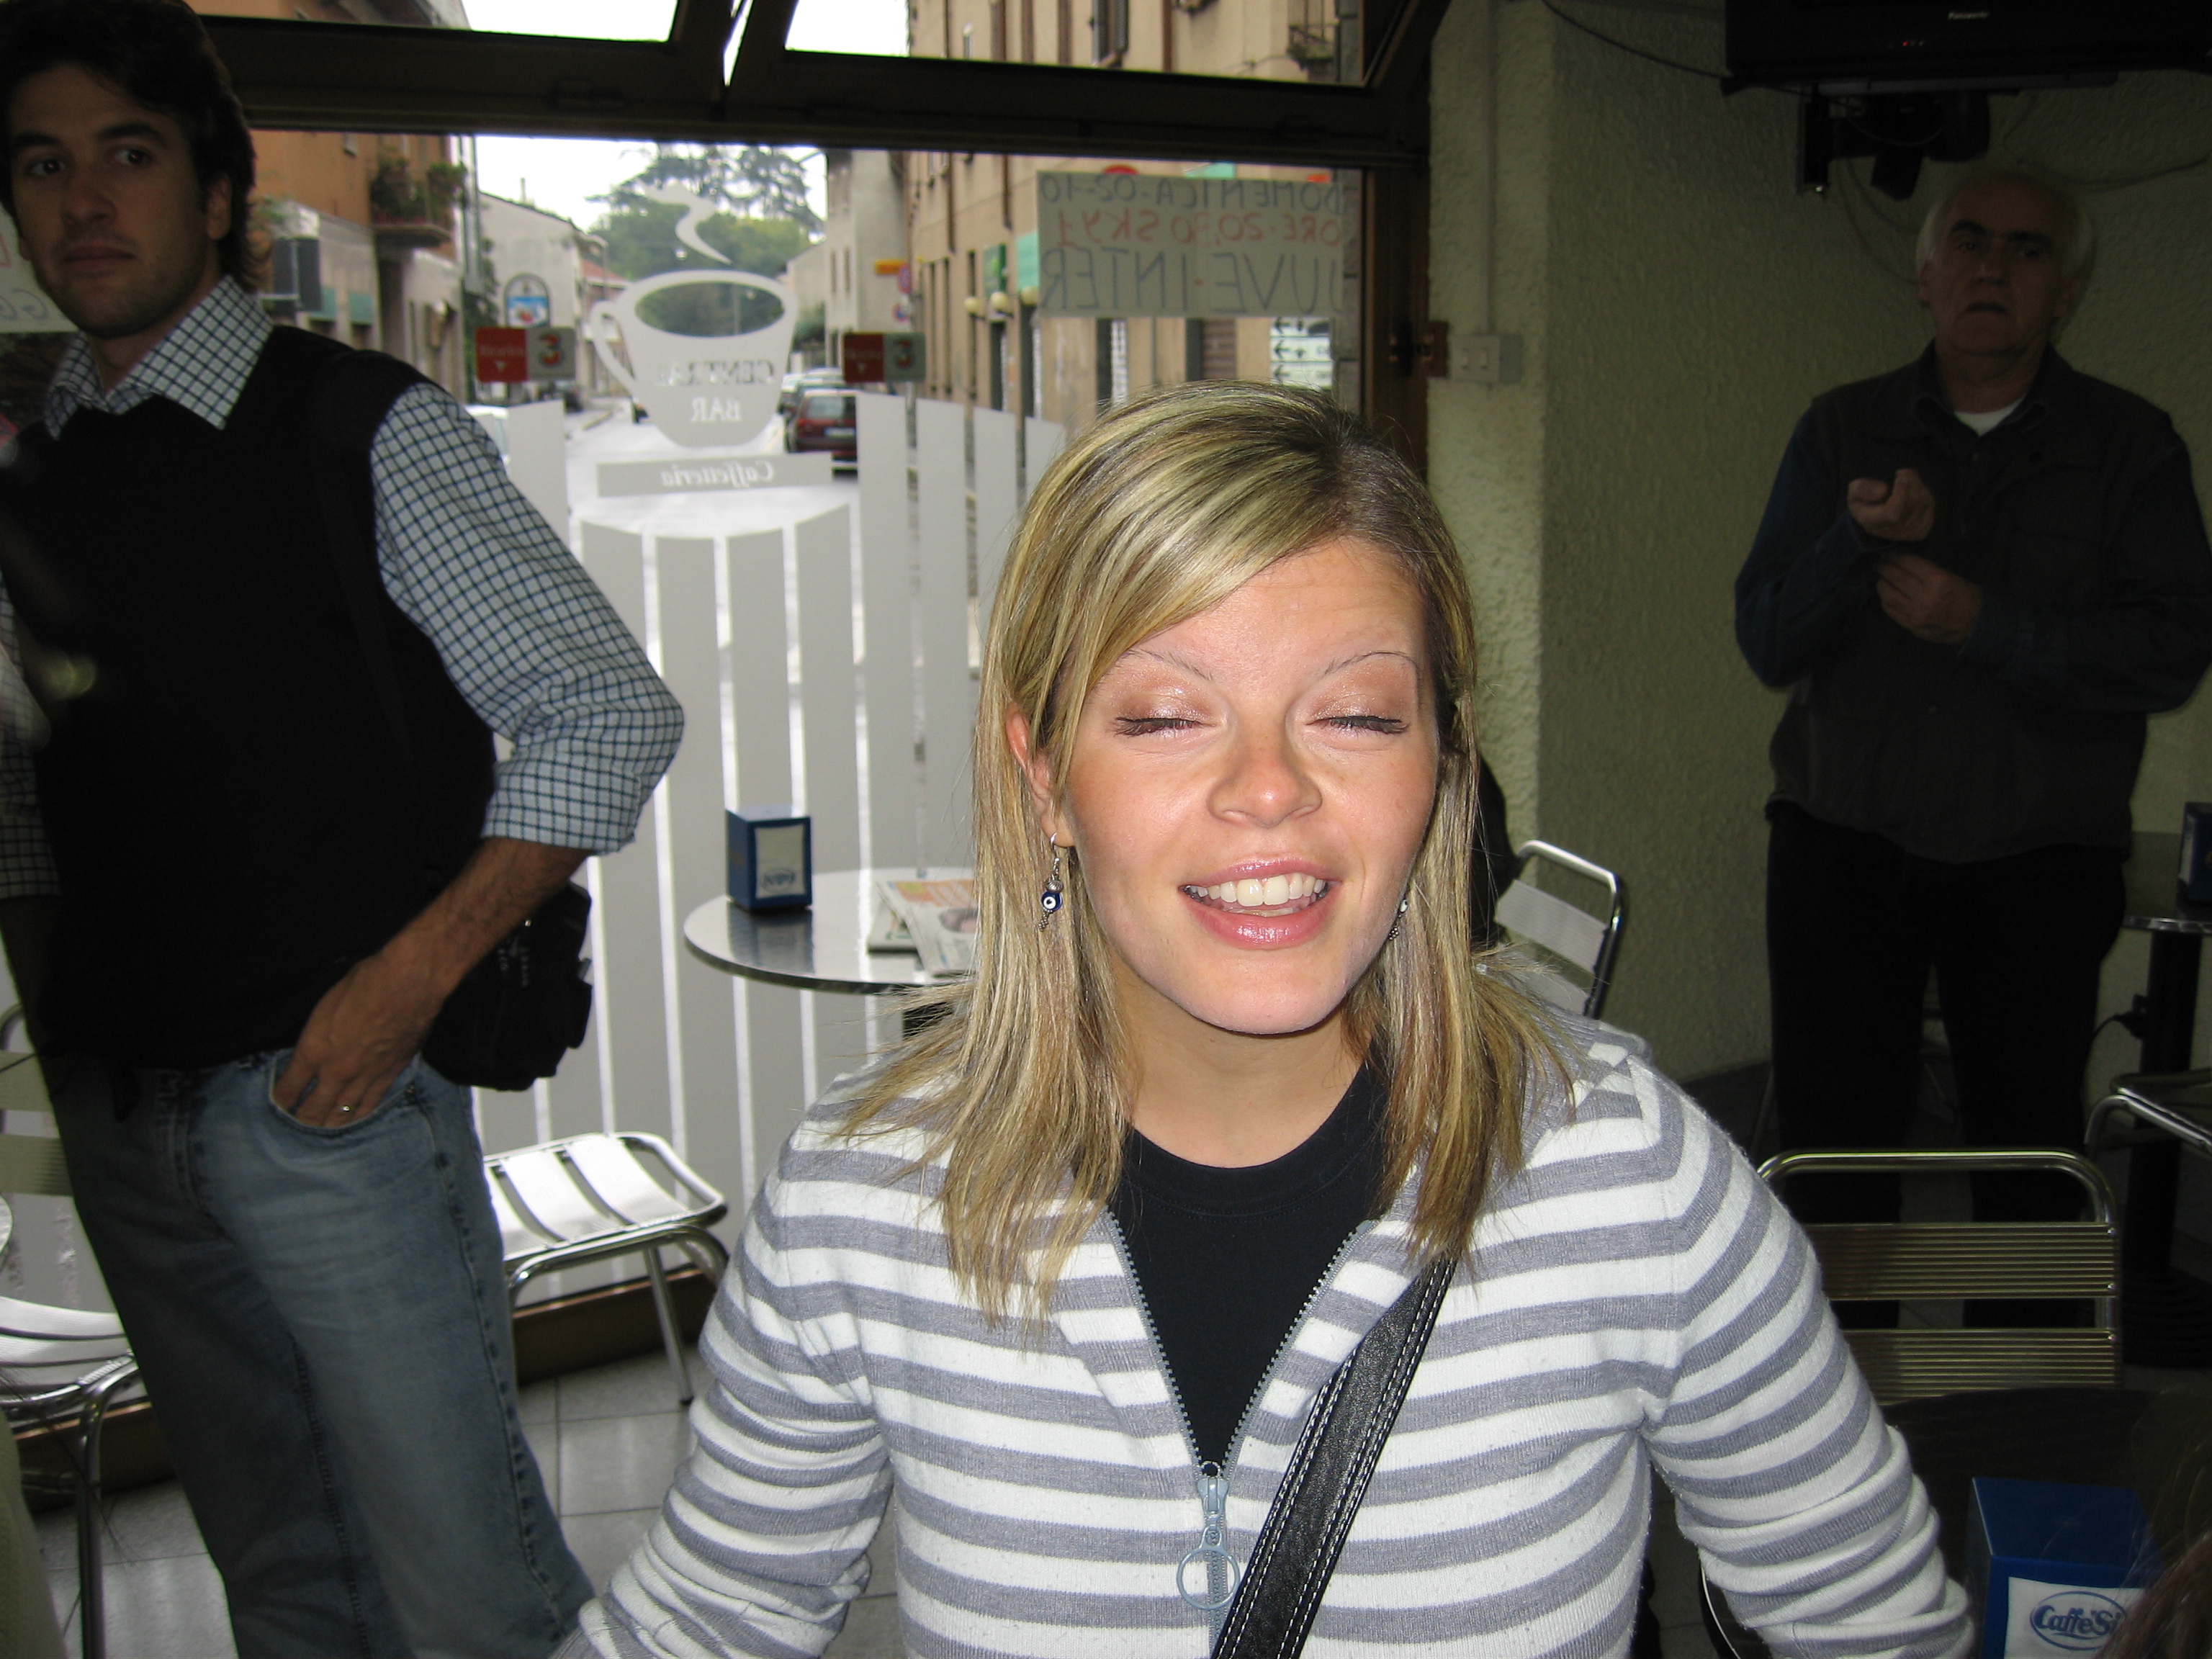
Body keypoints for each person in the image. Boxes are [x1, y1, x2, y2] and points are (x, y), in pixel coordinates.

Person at [561, 380, 1968, 1658]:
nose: (1268, 791)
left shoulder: (1628, 1178)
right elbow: (707, 1617)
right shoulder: (867, 1199)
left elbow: (1875, 1624)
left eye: (1354, 716)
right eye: (1166, 717)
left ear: (1440, 764)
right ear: (1045, 777)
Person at [0, 1, 684, 1653]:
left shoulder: (353, 427)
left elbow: (609, 710)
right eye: (40, 164)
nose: (83, 202)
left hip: (326, 1113)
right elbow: (36, 789)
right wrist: (60, 1017)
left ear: (217, 190)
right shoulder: (38, 468)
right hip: (129, 1122)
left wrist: (404, 984)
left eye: (127, 155)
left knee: (470, 1596)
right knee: (288, 1585)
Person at [1735, 170, 2212, 1249]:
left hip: (2036, 862)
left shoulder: (2131, 445)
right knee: (1832, 1163)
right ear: (1926, 276)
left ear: (2067, 293)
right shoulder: (1843, 428)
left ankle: (2030, 1359)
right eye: (1969, 241)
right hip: (1843, 848)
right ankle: (1832, 1360)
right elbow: (1767, 636)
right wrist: (1855, 542)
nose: (1992, 267)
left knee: (2028, 1164)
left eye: (2028, 250)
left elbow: (2174, 651)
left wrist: (1986, 626)